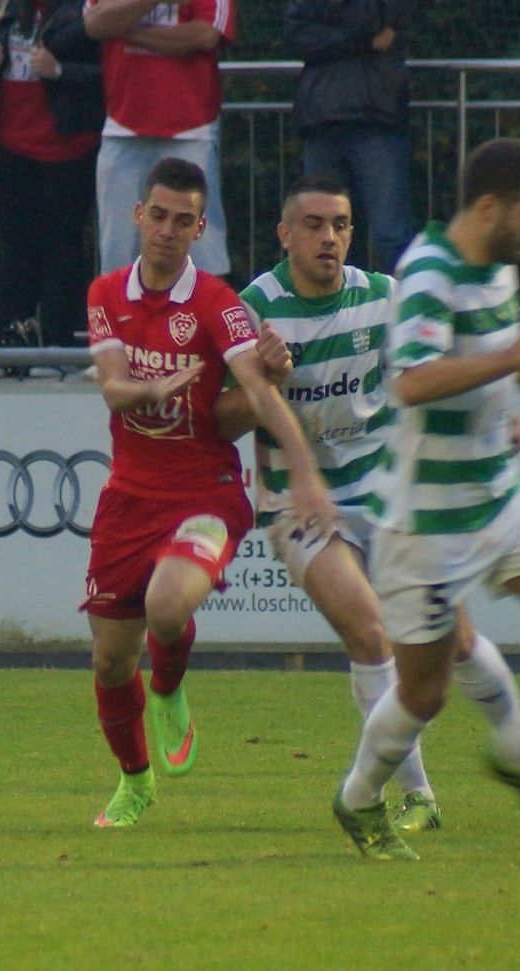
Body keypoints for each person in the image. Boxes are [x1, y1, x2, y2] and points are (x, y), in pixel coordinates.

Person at [332, 138, 520, 861]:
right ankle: (357, 798)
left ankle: (518, 751)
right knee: (425, 692)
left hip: (499, 497)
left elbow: (496, 362)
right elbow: (413, 380)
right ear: (488, 207)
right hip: (424, 521)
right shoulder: (427, 272)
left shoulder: (498, 270)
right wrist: (514, 355)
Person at [212, 175, 520, 835]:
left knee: (455, 637)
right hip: (301, 501)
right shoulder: (251, 310)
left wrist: (497, 416)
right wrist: (263, 379)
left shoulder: (384, 296)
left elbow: (436, 369)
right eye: (313, 225)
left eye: (340, 225)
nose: (328, 237)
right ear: (284, 234)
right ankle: (417, 795)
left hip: (387, 491)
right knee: (369, 630)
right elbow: (222, 420)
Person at [81, 157, 338, 827]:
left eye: (183, 220)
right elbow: (113, 388)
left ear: (200, 228)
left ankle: (168, 690)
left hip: (205, 492)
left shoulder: (217, 303)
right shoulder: (105, 292)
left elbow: (257, 388)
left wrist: (303, 471)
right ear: (139, 215)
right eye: (158, 215)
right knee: (110, 662)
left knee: (167, 606)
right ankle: (135, 781)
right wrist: (148, 390)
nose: (167, 230)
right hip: (127, 497)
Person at [0, 0, 102, 360]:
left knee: (62, 247)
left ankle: (57, 344)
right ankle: (13, 341)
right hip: (9, 144)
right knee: (16, 247)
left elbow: (106, 74)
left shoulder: (85, 9)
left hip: (66, 146)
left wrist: (59, 71)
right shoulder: (5, 8)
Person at [83, 0, 235, 277]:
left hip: (191, 127)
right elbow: (95, 23)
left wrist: (126, 30)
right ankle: (124, 307)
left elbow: (205, 35)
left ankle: (203, 307)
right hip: (123, 125)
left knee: (201, 247)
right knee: (118, 250)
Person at [283, 0, 414, 273]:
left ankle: (395, 300)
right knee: (322, 227)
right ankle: (333, 299)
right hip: (330, 117)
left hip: (369, 114)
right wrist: (362, 41)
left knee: (387, 233)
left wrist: (333, 33)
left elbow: (376, 22)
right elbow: (296, 36)